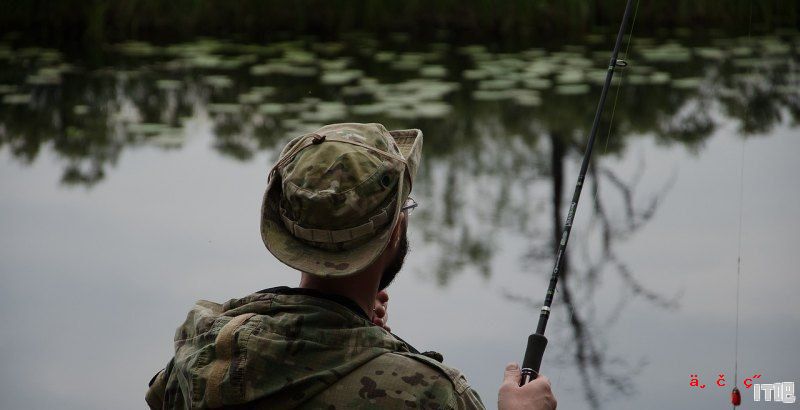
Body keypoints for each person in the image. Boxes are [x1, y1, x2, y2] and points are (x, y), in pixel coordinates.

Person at [146, 123, 557, 409]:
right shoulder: (431, 395)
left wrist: (357, 334)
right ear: (393, 232)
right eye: (405, 210)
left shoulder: (198, 354)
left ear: (288, 235)